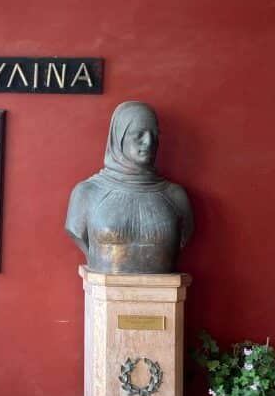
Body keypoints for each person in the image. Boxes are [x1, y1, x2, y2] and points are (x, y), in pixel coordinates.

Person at [65, 101, 193, 274]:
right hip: (104, 288)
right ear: (119, 137)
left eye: (154, 134)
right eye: (139, 134)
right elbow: (76, 231)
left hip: (165, 288)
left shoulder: (175, 196)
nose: (149, 142)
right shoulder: (87, 194)